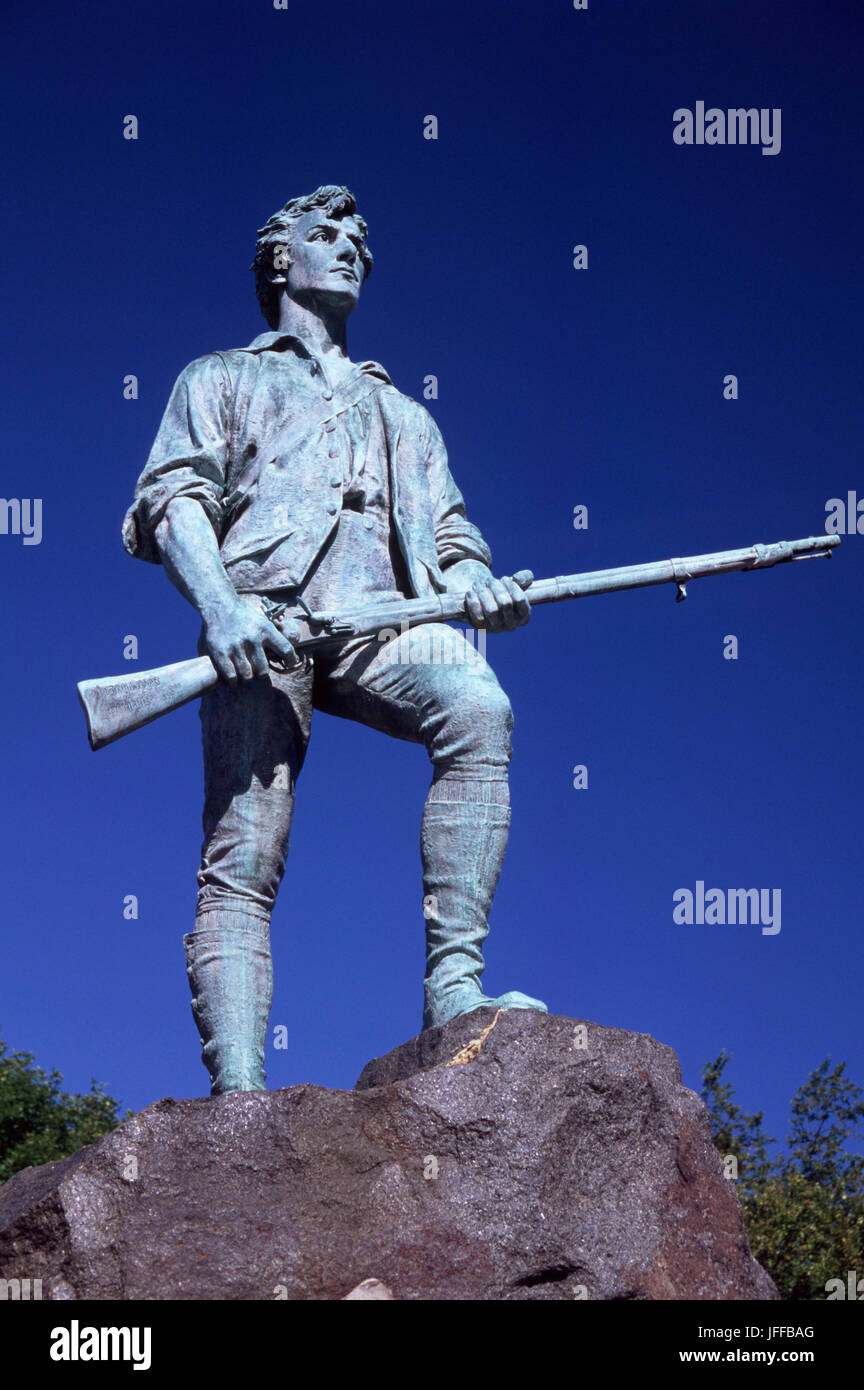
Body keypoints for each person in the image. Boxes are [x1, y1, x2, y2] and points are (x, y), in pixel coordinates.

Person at [123, 185, 547, 1096]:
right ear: (282, 260)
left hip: (385, 625)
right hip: (261, 627)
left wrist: (475, 583)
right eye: (326, 234)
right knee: (244, 855)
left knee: (480, 707)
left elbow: (451, 536)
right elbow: (173, 502)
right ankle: (239, 1091)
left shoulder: (405, 414)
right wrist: (224, 607)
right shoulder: (222, 378)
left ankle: (453, 987)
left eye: (361, 238)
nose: (351, 248)